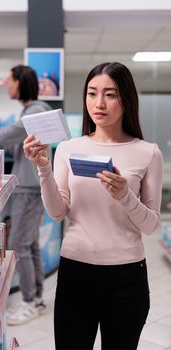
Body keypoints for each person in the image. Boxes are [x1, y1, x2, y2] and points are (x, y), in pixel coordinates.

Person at [23, 62, 163, 349]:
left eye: (110, 94)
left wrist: (125, 195)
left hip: (127, 276)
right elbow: (57, 211)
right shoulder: (68, 148)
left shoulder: (148, 153)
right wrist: (44, 169)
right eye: (92, 93)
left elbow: (151, 225)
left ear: (126, 99)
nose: (99, 103)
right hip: (76, 271)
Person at [0, 65, 51, 325]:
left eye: (10, 80)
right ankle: (36, 298)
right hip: (29, 187)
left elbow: (11, 134)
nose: (7, 85)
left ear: (21, 82)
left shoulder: (36, 111)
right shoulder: (31, 110)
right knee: (29, 245)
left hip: (29, 189)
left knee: (18, 245)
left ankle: (29, 302)